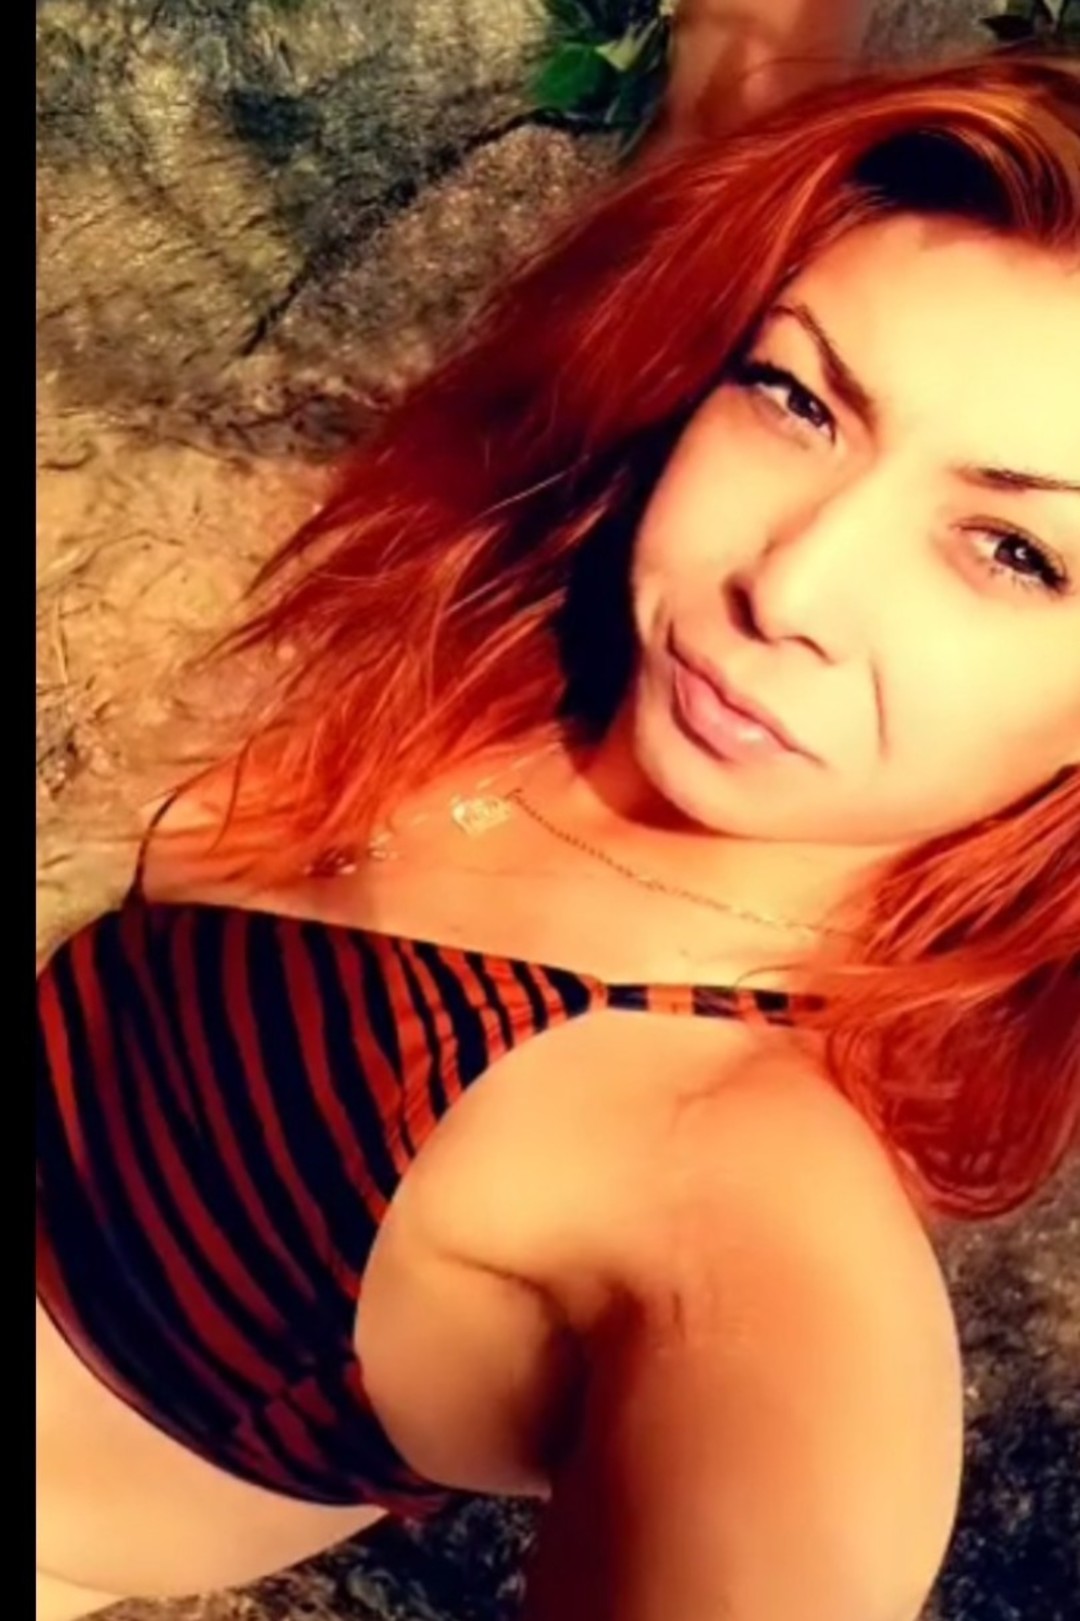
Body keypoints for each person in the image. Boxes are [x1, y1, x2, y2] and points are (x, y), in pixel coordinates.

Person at [36, 45, 1080, 1621]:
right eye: (798, 397)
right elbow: (744, 75)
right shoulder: (558, 629)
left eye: (1012, 551)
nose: (785, 586)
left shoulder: (744, 1215)